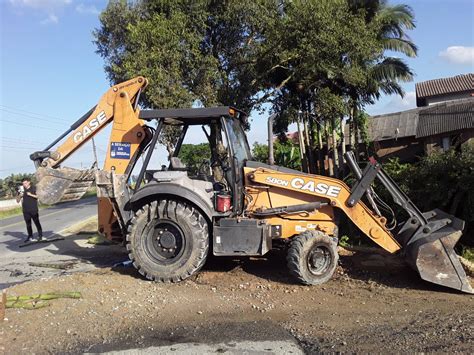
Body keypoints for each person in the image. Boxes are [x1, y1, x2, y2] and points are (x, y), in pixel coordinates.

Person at [16, 177, 43, 242]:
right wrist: (20, 196)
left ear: (29, 182)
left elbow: (39, 196)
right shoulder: (21, 190)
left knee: (37, 222)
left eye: (25, 183)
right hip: (25, 210)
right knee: (28, 224)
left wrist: (31, 194)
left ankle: (40, 235)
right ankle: (30, 236)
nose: (24, 185)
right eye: (23, 184)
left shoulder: (34, 188)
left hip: (33, 209)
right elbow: (17, 201)